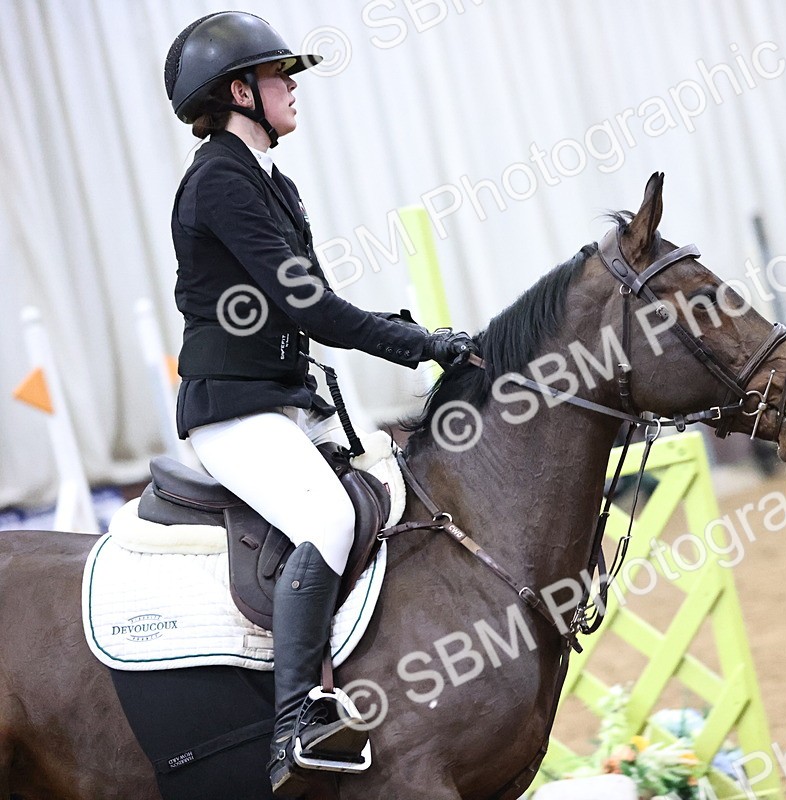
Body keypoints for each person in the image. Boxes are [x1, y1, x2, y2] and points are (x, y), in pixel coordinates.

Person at [163, 11, 477, 796]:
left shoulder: (274, 182)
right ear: (240, 92)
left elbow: (316, 305)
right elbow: (309, 306)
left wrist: (415, 340)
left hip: (284, 398)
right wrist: (420, 343)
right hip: (232, 410)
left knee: (394, 493)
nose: (293, 86)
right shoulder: (218, 182)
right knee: (328, 519)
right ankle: (297, 719)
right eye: (279, 76)